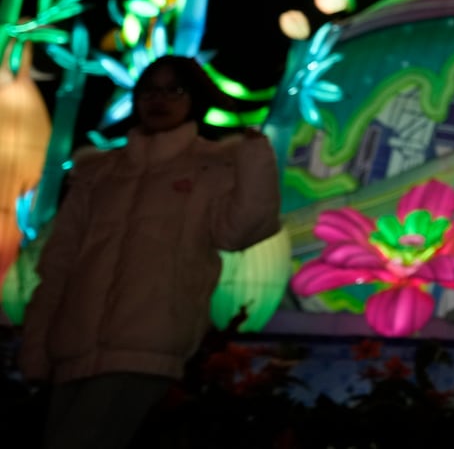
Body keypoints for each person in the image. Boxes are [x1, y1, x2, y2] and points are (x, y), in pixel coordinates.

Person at [18, 54, 282, 449]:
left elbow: (240, 232)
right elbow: (59, 264)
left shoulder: (211, 165)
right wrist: (37, 347)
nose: (159, 100)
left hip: (147, 346)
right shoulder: (99, 172)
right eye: (149, 90)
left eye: (173, 90)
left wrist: (256, 159)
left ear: (194, 98)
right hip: (72, 347)